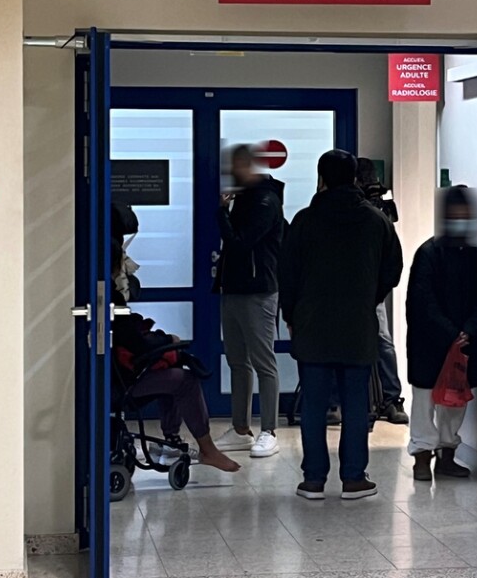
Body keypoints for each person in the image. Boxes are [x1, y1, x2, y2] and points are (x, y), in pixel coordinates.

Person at [279, 150, 403, 500]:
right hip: (357, 325)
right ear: (354, 178)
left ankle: (313, 479)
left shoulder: (305, 220)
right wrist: (369, 298)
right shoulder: (376, 221)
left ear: (321, 178)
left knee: (314, 405)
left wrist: (292, 315)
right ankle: (353, 478)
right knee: (355, 405)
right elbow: (392, 269)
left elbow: (287, 273)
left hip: (312, 325)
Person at [110, 245, 241, 474]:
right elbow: (136, 343)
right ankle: (207, 449)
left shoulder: (101, 293)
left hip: (116, 375)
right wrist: (167, 339)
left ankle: (171, 440)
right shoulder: (111, 299)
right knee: (185, 381)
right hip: (121, 382)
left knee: (171, 369)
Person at [405, 186, 477, 481]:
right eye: (455, 212)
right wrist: (451, 333)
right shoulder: (428, 253)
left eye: (464, 213)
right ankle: (422, 456)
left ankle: (447, 456)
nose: (460, 218)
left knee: (455, 402)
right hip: (429, 343)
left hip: (462, 343)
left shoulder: (474, 255)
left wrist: (468, 332)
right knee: (424, 401)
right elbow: (422, 301)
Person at [214, 145, 286, 458]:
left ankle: (269, 430)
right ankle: (241, 428)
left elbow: (240, 243)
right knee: (237, 362)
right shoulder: (243, 199)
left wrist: (221, 212)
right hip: (233, 289)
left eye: (236, 167)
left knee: (263, 362)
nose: (231, 173)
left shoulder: (265, 200)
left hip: (258, 292)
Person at [356, 158, 408, 425]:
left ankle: (391, 398)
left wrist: (380, 289)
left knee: (383, 341)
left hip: (372, 287)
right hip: (356, 287)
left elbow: (391, 254)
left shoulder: (379, 210)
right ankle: (351, 401)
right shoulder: (350, 207)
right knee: (377, 342)